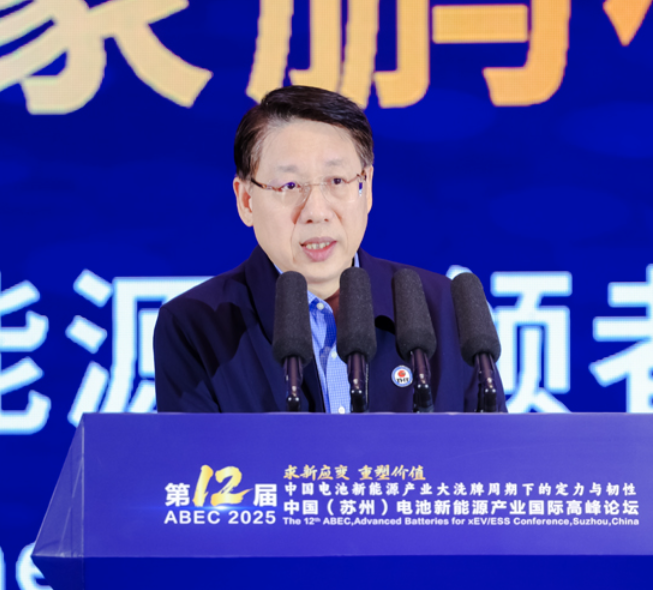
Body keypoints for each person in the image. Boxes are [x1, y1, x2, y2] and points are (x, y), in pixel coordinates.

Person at [153, 85, 505, 413]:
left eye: (337, 181)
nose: (317, 211)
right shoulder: (195, 327)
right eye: (289, 185)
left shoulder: (444, 310)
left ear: (366, 187)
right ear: (246, 201)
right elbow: (197, 460)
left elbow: (493, 454)